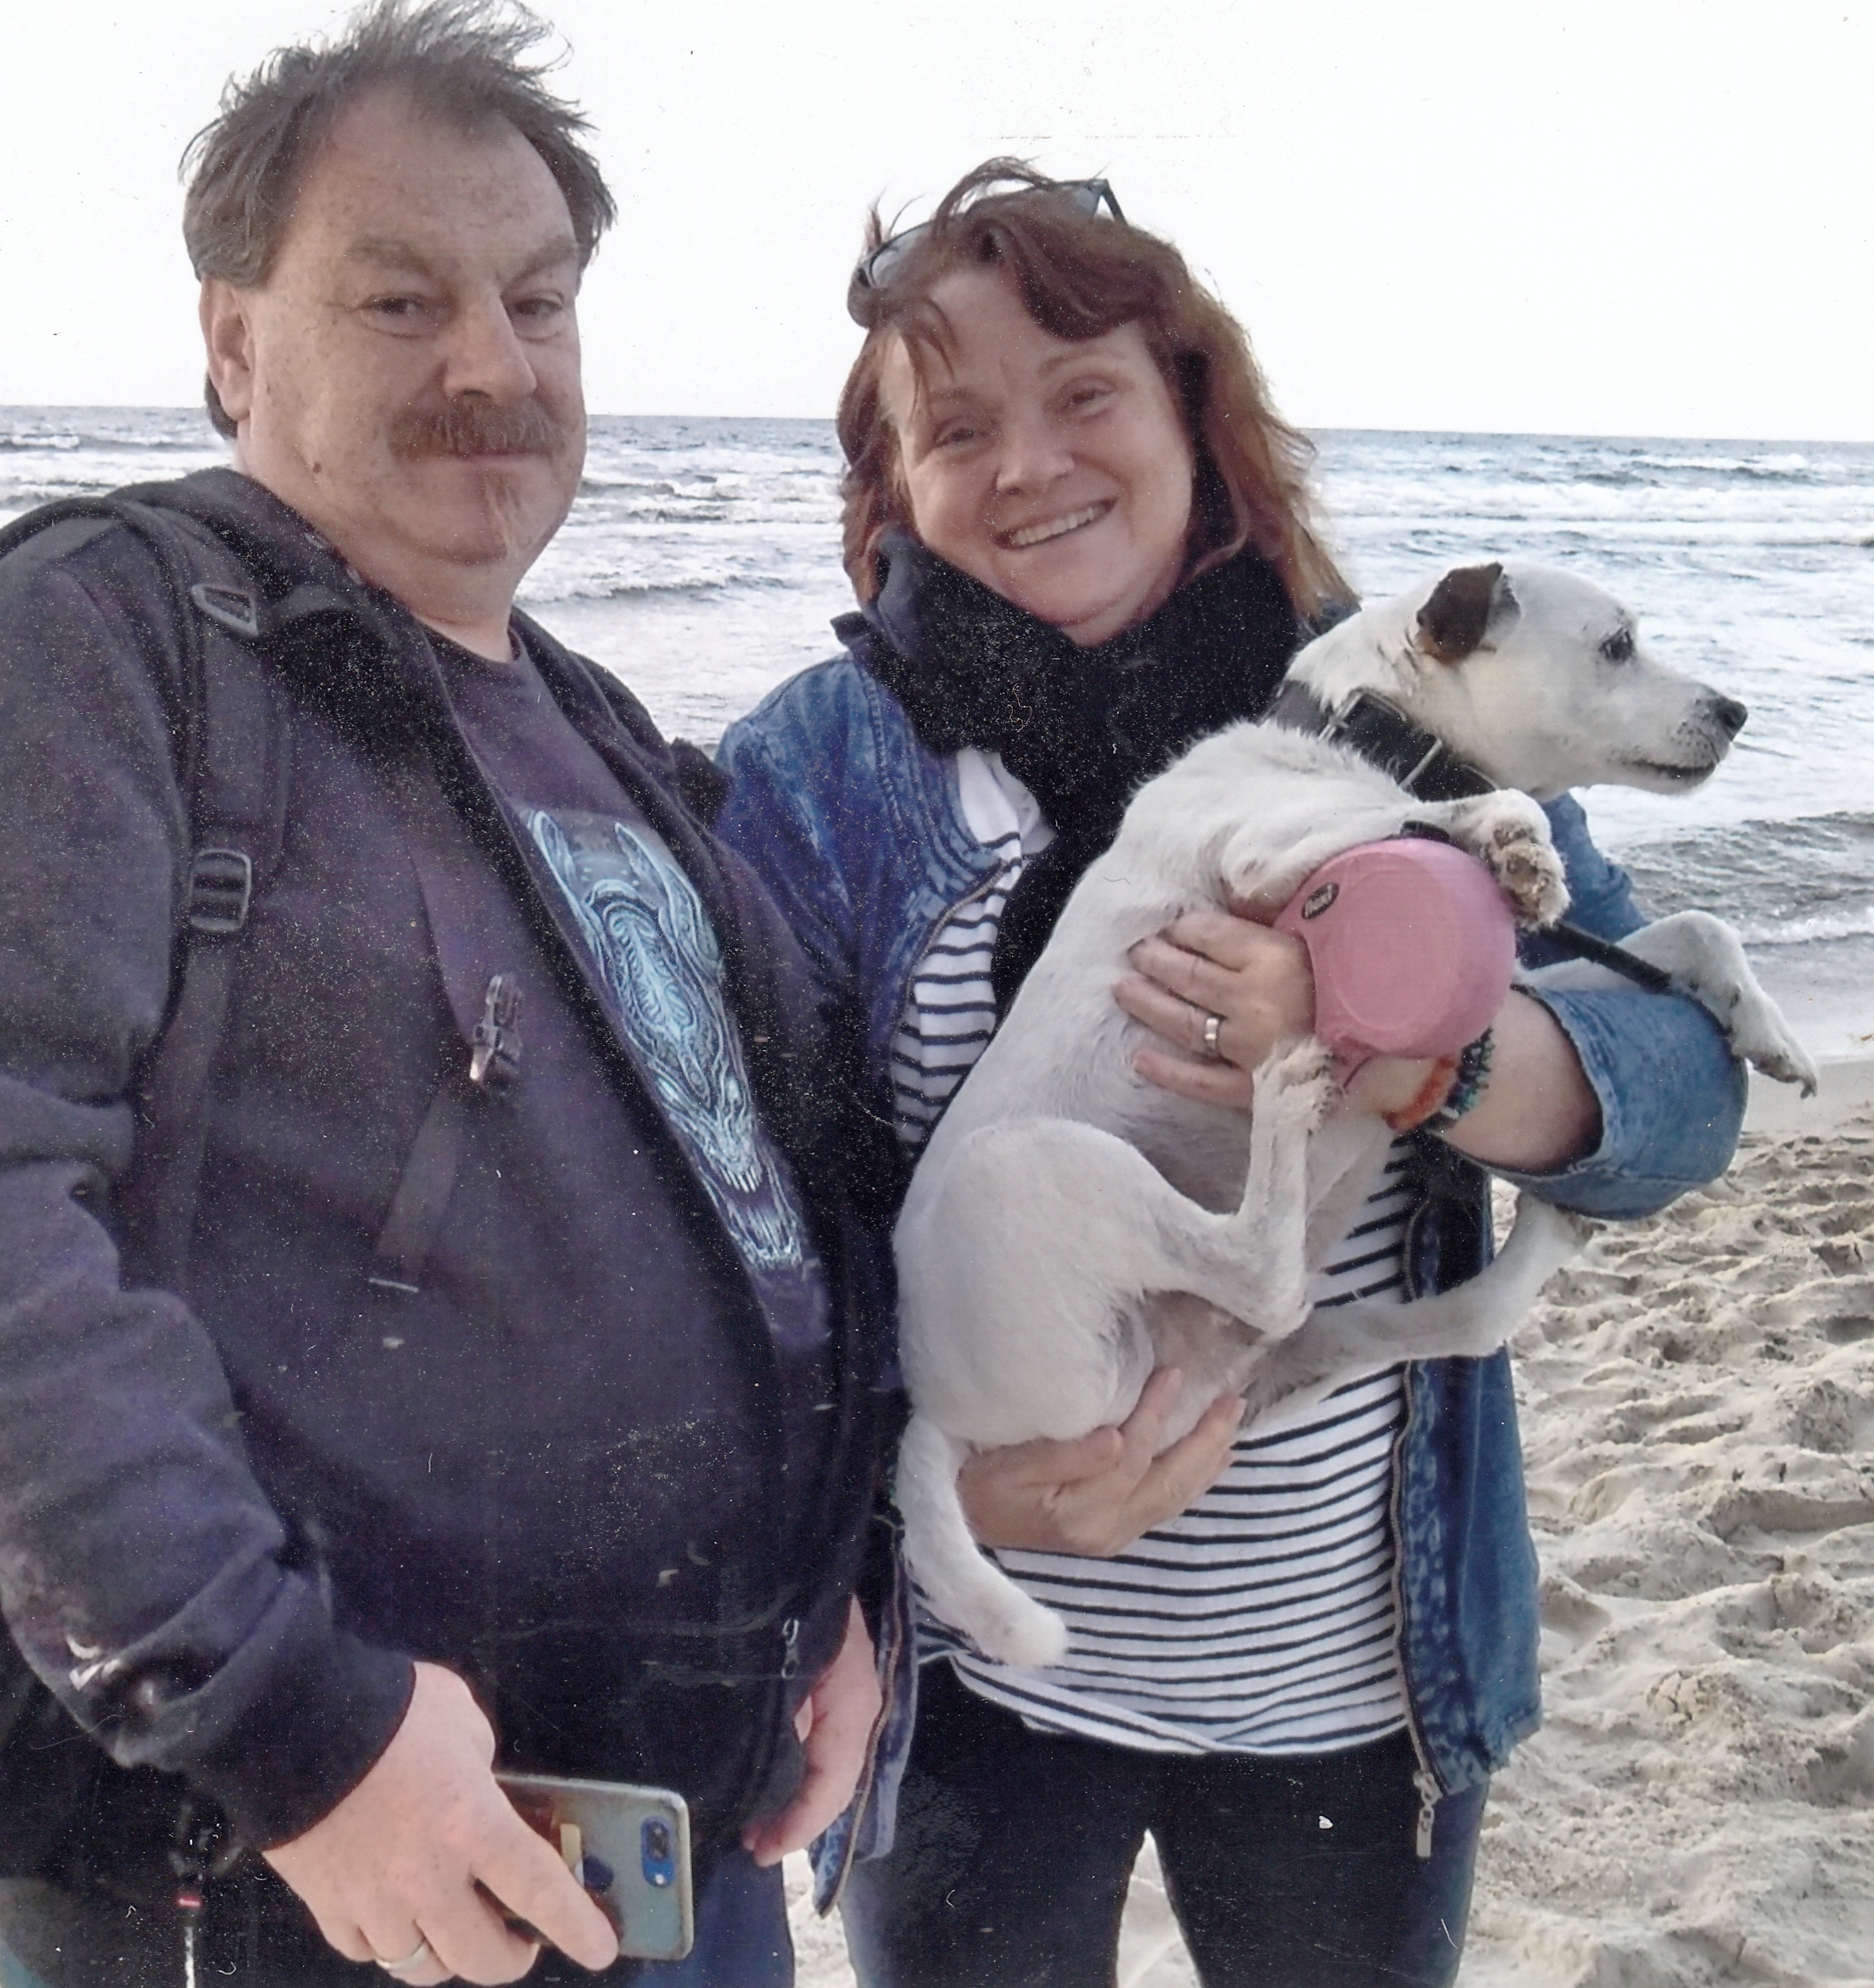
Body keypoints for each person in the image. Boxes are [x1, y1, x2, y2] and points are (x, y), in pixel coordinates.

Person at [0, 8, 895, 1985]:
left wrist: (833, 1590)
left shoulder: (603, 736)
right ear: (233, 344)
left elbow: (762, 1199)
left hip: (670, 1851)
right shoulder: (106, 635)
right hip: (306, 1869)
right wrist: (297, 1728)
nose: (492, 364)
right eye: (399, 300)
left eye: (537, 302)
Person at [712, 165, 1748, 1987]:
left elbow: (1676, 1100)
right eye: (957, 428)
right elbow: (740, 1238)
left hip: (1344, 1678)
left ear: (1195, 412)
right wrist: (902, 1497)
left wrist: (1409, 1052)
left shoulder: (1406, 713)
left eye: (1084, 393)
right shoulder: (820, 772)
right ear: (893, 483)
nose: (1029, 464)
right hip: (977, 1679)